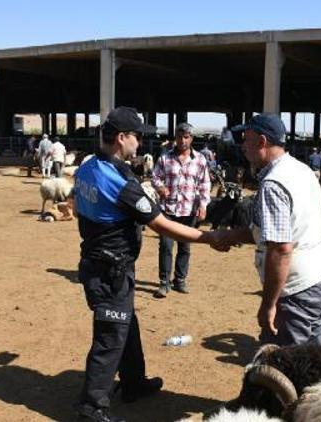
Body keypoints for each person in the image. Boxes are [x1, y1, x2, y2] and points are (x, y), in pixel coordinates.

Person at [73, 106, 221, 422]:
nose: (140, 143)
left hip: (100, 265)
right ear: (122, 138)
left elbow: (77, 208)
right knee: (110, 336)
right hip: (110, 270)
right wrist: (209, 239)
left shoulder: (86, 168)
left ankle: (133, 383)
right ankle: (92, 408)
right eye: (138, 137)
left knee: (126, 325)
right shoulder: (119, 182)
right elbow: (161, 224)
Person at [210, 113, 321, 347]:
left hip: (298, 290)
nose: (242, 146)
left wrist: (268, 305)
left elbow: (280, 248)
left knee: (288, 365)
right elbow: (281, 231)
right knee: (315, 361)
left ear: (261, 141)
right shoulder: (301, 170)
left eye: (246, 139)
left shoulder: (273, 184)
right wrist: (230, 235)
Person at [151, 122, 211, 298]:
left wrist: (203, 204)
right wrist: (160, 187)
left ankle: (180, 280)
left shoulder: (200, 160)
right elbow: (155, 177)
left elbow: (204, 183)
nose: (183, 141)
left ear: (191, 139)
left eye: (186, 137)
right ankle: (164, 283)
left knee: (185, 247)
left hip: (188, 210)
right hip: (168, 210)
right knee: (166, 246)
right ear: (175, 138)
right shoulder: (165, 158)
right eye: (179, 137)